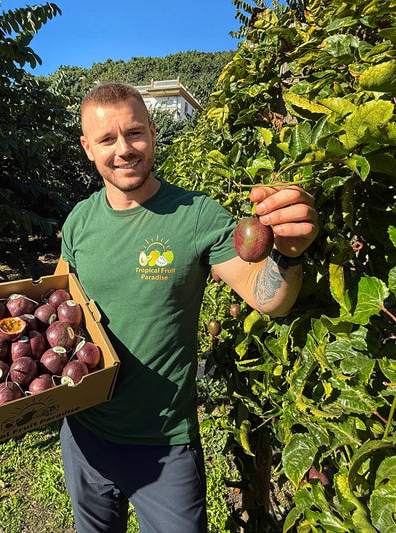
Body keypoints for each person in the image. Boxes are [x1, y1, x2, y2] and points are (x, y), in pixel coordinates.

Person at [57, 82, 318, 533]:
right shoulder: (79, 220)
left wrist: (289, 252)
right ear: (87, 148)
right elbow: (60, 303)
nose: (124, 149)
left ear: (153, 133)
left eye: (135, 133)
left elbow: (269, 298)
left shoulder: (196, 214)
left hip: (165, 442)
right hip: (83, 435)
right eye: (106, 139)